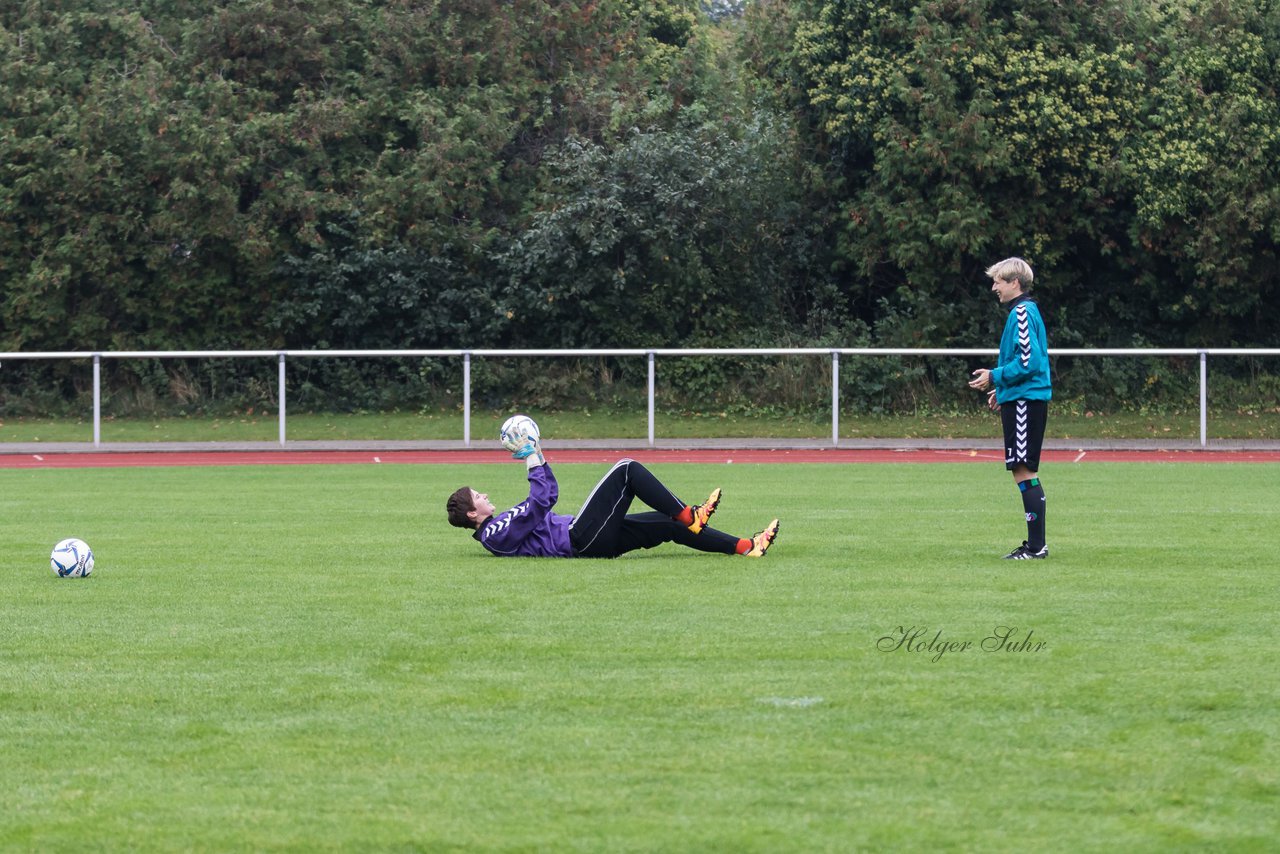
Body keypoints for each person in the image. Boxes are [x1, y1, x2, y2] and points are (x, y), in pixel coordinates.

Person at [445, 436, 779, 559]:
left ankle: (747, 547)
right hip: (581, 540)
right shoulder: (494, 533)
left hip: (587, 538)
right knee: (626, 468)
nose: (485, 495)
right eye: (478, 496)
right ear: (473, 514)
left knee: (667, 526)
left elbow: (548, 496)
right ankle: (690, 515)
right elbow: (539, 504)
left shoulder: (499, 527)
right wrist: (531, 459)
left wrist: (540, 457)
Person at [967, 257, 1051, 560]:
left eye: (998, 281)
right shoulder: (1022, 312)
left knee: (1023, 469)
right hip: (1020, 397)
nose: (994, 287)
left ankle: (1036, 547)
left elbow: (1030, 362)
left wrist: (995, 377)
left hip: (1026, 401)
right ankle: (1036, 545)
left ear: (1014, 283)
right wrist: (1002, 390)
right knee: (1022, 469)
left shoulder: (1023, 312)